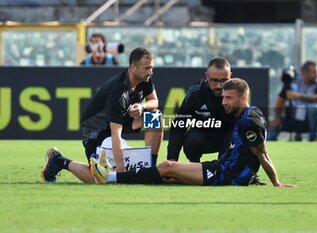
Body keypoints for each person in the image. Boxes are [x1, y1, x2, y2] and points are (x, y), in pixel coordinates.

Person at [90, 78, 294, 188]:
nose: (223, 102)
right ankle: (68, 163)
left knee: (167, 167)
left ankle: (110, 178)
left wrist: (276, 183)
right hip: (221, 167)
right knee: (168, 174)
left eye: (229, 98)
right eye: (223, 97)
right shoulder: (247, 113)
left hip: (225, 176)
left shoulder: (249, 121)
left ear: (243, 98)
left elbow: (262, 154)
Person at [41, 47, 163, 183]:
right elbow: (115, 135)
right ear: (133, 67)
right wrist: (121, 175)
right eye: (147, 68)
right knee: (100, 178)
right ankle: (57, 160)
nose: (150, 72)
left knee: (155, 116)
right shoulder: (119, 93)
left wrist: (142, 106)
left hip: (119, 121)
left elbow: (154, 101)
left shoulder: (145, 79)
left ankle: (152, 168)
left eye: (151, 67)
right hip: (96, 130)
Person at [167, 57, 233, 162]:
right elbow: (178, 127)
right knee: (191, 141)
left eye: (224, 80)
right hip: (204, 136)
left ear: (230, 76)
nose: (219, 86)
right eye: (214, 80)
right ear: (207, 76)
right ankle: (194, 166)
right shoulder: (195, 92)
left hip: (229, 138)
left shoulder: (237, 92)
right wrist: (171, 161)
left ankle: (229, 170)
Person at [268, 61, 317, 141]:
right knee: (273, 126)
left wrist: (299, 96)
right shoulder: (292, 81)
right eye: (315, 72)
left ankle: (314, 138)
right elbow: (281, 100)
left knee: (315, 108)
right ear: (305, 73)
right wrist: (277, 118)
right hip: (295, 118)